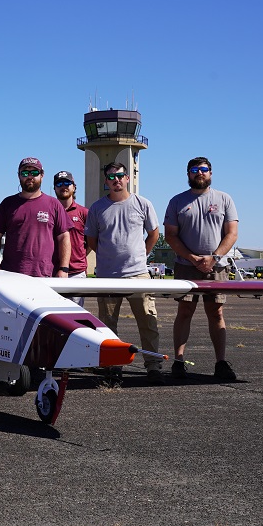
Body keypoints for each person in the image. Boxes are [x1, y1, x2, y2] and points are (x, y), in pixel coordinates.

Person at [84, 162, 163, 384]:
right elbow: (92, 240)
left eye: (120, 175)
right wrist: (108, 259)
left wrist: (141, 256)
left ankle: (153, 366)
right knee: (107, 325)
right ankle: (112, 366)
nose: (116, 180)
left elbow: (154, 234)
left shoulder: (143, 203)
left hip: (138, 275)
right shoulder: (97, 208)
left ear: (127, 178)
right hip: (108, 277)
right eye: (111, 177)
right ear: (105, 181)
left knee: (148, 322)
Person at [163, 156, 240, 381]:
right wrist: (192, 257)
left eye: (204, 169)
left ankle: (221, 362)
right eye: (195, 170)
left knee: (216, 312)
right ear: (188, 174)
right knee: (184, 312)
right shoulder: (177, 202)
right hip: (186, 266)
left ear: (211, 173)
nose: (199, 173)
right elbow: (170, 235)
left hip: (217, 267)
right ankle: (178, 361)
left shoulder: (224, 199)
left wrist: (214, 257)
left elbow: (231, 233)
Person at [0, 157, 71, 278]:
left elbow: (64, 237)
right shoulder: (7, 203)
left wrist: (63, 269)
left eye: (34, 173)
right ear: (19, 176)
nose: (29, 176)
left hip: (46, 275)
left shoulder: (54, 204)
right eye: (25, 173)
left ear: (42, 175)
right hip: (11, 275)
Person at [52, 169, 89, 305]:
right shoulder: (49, 211)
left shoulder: (84, 213)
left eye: (67, 183)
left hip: (76, 272)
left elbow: (90, 242)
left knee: (75, 315)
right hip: (51, 272)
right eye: (59, 183)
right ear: (54, 188)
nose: (63, 186)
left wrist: (79, 255)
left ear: (74, 187)